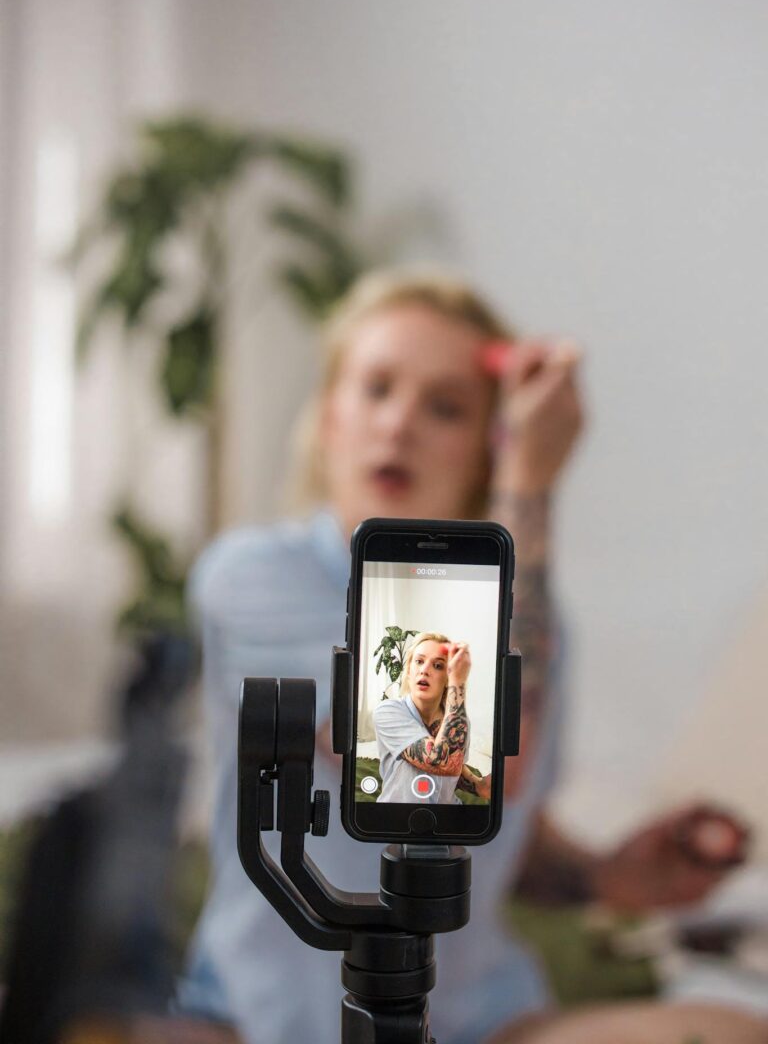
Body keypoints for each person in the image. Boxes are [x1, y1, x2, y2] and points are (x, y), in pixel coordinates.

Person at [179, 266, 762, 1044]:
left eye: (445, 406)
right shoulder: (253, 575)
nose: (399, 425)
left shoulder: (538, 623)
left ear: (485, 445)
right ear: (327, 417)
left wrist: (607, 875)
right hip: (274, 1019)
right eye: (376, 389)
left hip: (477, 1020)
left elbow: (491, 831)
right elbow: (436, 777)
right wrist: (531, 483)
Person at [373, 633, 487, 804]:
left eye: (438, 665)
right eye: (419, 661)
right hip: (395, 817)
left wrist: (477, 784)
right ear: (409, 671)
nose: (424, 670)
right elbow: (441, 762)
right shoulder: (388, 711)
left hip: (447, 820)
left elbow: (454, 764)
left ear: (447, 678)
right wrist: (459, 682)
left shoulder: (458, 721)